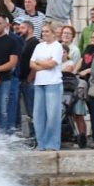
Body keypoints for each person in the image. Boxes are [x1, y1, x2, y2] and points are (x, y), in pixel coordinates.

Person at [29, 23, 64, 151]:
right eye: (43, 31)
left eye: (47, 31)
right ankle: (41, 143)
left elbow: (52, 64)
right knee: (38, 115)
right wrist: (43, 63)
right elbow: (31, 64)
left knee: (53, 115)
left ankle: (52, 144)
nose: (44, 34)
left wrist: (39, 62)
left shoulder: (57, 46)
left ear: (54, 33)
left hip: (53, 83)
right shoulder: (39, 46)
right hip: (39, 83)